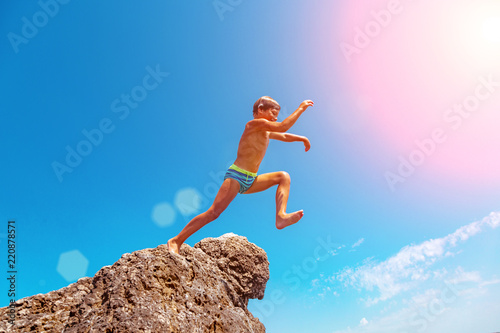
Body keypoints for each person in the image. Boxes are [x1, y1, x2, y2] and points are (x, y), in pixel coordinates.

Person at [167, 96, 314, 254]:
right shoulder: (253, 124)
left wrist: (302, 139)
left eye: (276, 114)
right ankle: (176, 240)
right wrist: (301, 108)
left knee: (283, 176)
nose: (275, 117)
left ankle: (281, 216)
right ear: (260, 109)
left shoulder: (266, 130)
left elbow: (284, 136)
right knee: (214, 213)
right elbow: (283, 127)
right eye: (273, 112)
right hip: (236, 176)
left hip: (251, 179)